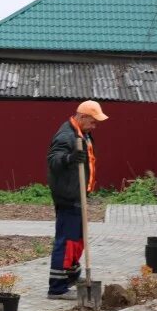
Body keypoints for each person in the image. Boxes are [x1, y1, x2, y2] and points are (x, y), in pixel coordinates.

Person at [46, 100, 109, 300]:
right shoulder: (66, 136)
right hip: (68, 196)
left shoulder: (84, 134)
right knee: (66, 242)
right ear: (82, 117)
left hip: (79, 195)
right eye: (93, 122)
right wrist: (70, 158)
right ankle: (57, 287)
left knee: (76, 240)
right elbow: (53, 160)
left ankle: (71, 277)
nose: (95, 126)